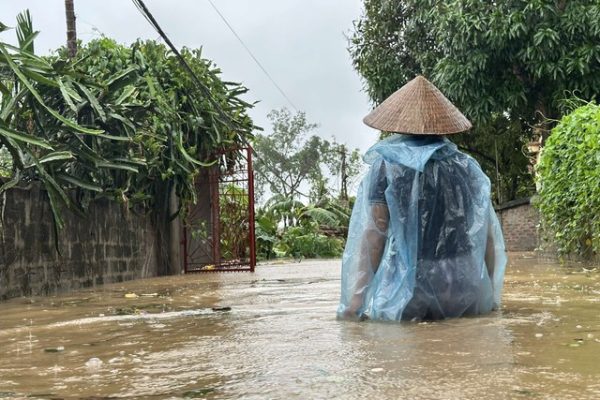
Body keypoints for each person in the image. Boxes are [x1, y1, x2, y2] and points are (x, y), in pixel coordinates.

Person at [337, 76, 507, 321]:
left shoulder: (386, 166)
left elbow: (374, 236)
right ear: (442, 125)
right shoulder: (468, 168)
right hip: (462, 286)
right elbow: (487, 238)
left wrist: (354, 304)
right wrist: (488, 294)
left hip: (407, 289)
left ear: (398, 123)